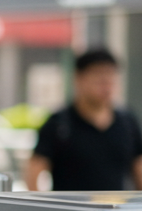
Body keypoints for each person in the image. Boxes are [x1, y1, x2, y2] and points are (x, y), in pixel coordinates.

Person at [25, 48, 142, 191]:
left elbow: (138, 168)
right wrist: (42, 210)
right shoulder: (59, 124)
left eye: (111, 75)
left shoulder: (127, 123)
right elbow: (34, 172)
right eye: (98, 75)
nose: (106, 83)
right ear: (79, 78)